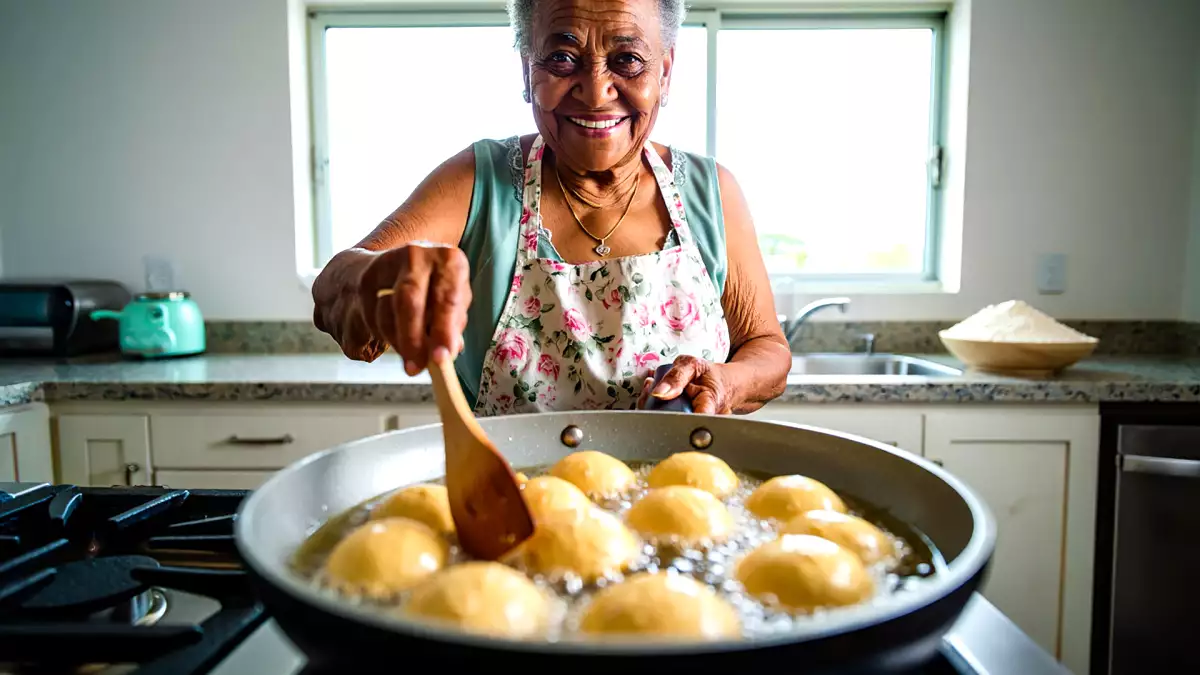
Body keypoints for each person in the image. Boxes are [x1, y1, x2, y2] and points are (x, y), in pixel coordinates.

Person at [313, 0, 790, 416]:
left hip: (680, 503)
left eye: (627, 60)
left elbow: (767, 349)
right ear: (526, 71)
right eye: (562, 58)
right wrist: (372, 282)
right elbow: (337, 282)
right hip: (517, 506)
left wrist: (725, 382)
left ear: (664, 73)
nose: (596, 90)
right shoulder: (480, 181)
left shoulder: (711, 191)